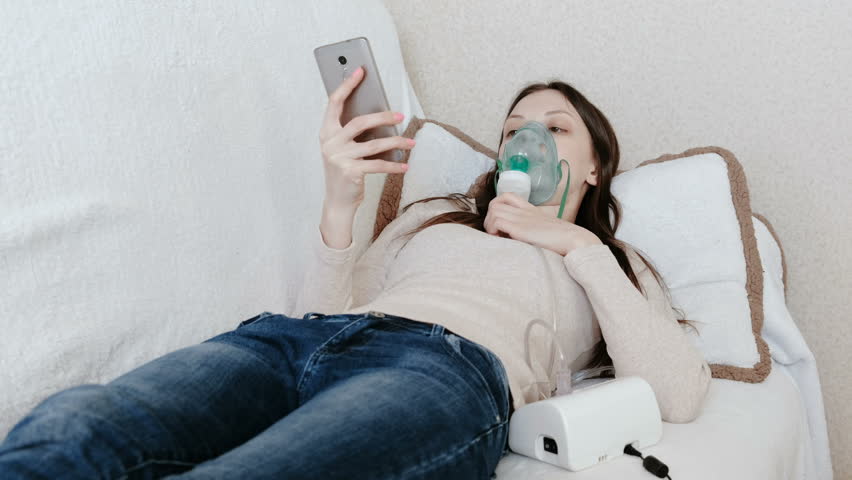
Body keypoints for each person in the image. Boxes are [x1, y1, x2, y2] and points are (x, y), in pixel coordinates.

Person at [0, 66, 711, 479]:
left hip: (445, 370)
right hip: (295, 344)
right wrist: (342, 202)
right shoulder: (435, 217)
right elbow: (328, 312)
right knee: (72, 431)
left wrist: (569, 243)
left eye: (554, 127)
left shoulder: (608, 264)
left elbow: (678, 393)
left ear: (592, 164)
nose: (525, 138)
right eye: (512, 129)